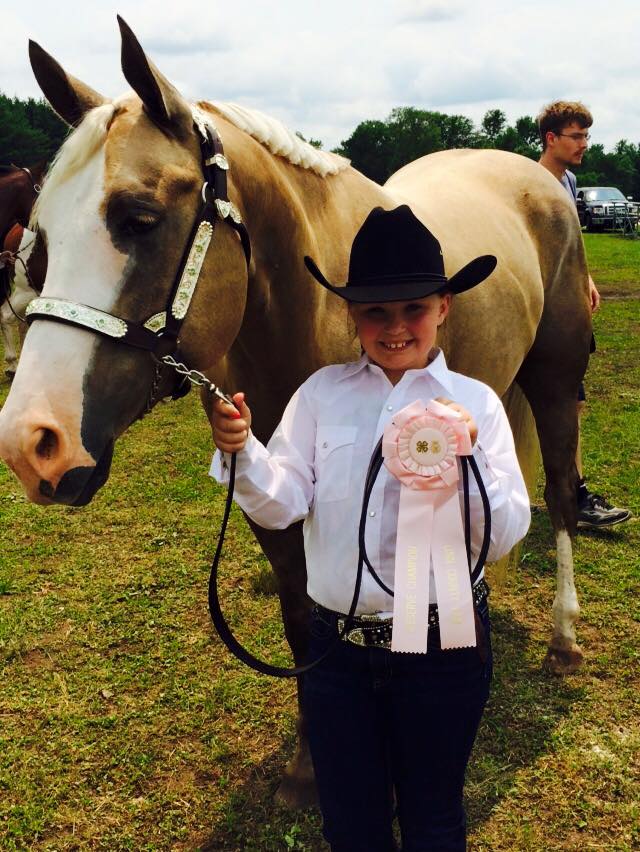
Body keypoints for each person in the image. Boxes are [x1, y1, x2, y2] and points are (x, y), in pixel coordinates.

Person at [209, 205, 530, 851]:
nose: (396, 327)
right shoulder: (320, 395)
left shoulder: (477, 404)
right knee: (350, 823)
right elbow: (283, 502)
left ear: (444, 308)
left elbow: (503, 535)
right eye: (376, 312)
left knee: (434, 816)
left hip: (443, 649)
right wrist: (243, 451)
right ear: (351, 314)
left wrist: (466, 458)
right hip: (339, 653)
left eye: (414, 309)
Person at [537, 100, 631, 530]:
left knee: (571, 400)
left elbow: (572, 243)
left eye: (586, 136)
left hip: (564, 304)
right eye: (576, 136)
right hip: (542, 307)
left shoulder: (570, 181)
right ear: (551, 138)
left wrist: (585, 277)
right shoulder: (533, 183)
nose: (584, 144)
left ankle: (573, 490)